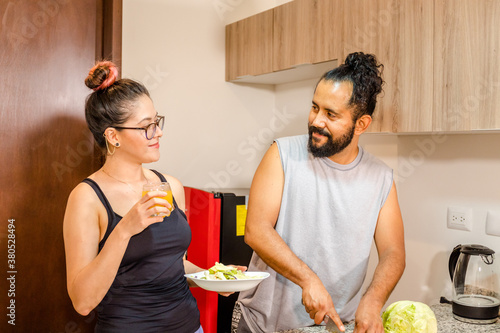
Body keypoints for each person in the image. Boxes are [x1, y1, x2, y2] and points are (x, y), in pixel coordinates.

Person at [63, 61, 243, 333]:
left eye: (157, 121)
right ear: (113, 136)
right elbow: (83, 301)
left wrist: (213, 278)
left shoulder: (169, 186)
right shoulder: (87, 198)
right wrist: (125, 228)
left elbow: (172, 264)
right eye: (147, 126)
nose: (158, 132)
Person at [232, 52, 405, 333]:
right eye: (315, 107)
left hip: (334, 325)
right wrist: (308, 279)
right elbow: (256, 230)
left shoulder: (381, 177)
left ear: (361, 124)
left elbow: (393, 252)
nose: (316, 121)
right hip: (263, 324)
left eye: (331, 114)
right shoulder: (282, 154)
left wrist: (373, 300)